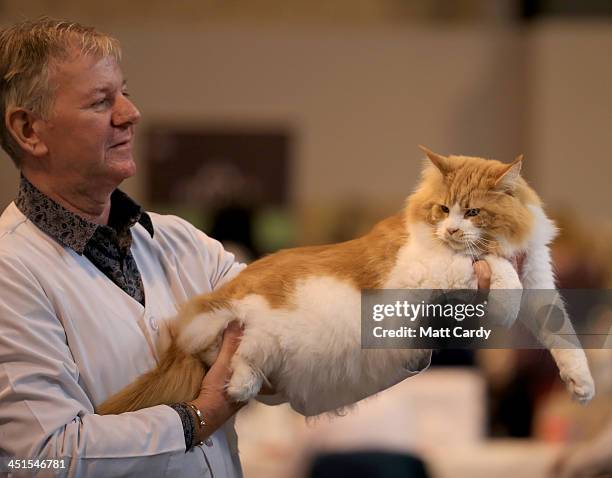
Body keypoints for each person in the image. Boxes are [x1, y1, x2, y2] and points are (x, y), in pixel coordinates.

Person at [0, 18, 493, 477]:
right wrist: (198, 417)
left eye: (125, 93)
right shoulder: (12, 271)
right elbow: (37, 461)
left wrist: (436, 317)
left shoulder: (180, 243)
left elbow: (299, 360)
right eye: (100, 101)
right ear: (28, 130)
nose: (131, 114)